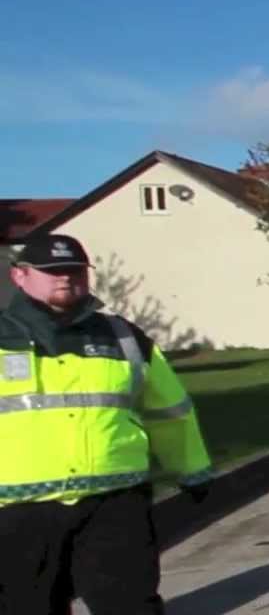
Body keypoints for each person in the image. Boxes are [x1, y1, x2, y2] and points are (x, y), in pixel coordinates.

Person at [0, 234, 212, 615]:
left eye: (75, 271)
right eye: (52, 271)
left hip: (114, 505)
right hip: (17, 512)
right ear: (19, 276)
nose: (65, 278)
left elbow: (170, 410)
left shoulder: (124, 338)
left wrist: (192, 469)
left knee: (130, 605)